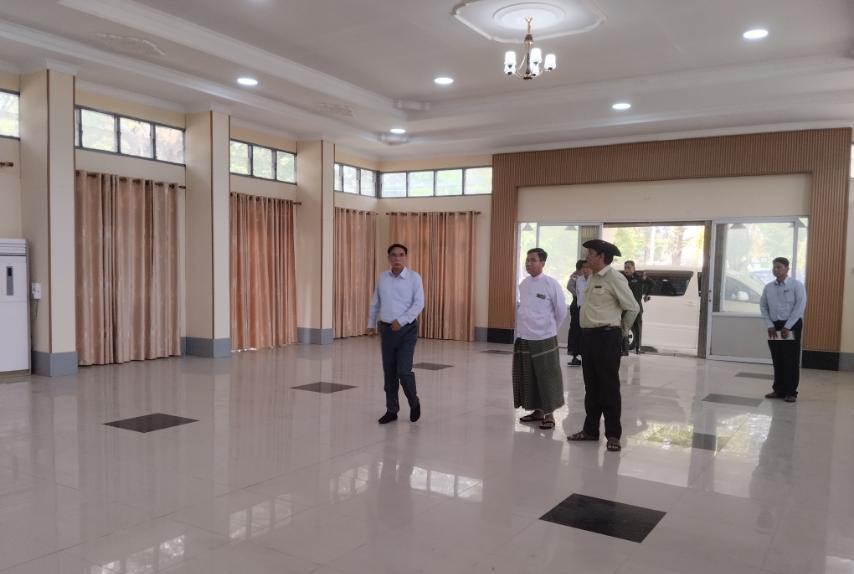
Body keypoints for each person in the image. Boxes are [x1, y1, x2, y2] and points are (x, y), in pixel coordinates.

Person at [568, 239, 639, 452]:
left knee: (608, 387)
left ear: (601, 256)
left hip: (607, 338)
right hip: (589, 338)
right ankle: (590, 430)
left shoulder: (614, 278)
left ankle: (613, 435)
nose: (587, 257)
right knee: (591, 387)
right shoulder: (591, 277)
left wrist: (621, 331)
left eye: (590, 253)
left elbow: (632, 307)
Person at [367, 243, 425, 424]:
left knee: (404, 371)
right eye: (393, 255)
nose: (397, 258)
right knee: (389, 372)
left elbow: (419, 303)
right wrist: (370, 324)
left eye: (401, 255)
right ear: (389, 258)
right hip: (386, 331)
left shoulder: (414, 278)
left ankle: (414, 402)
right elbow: (375, 302)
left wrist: (401, 321)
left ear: (405, 257)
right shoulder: (383, 278)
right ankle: (392, 410)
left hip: (406, 331)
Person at [514, 248, 568, 430]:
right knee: (529, 376)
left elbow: (561, 311)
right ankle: (537, 411)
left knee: (547, 377)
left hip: (544, 338)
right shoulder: (524, 284)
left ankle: (549, 415)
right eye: (527, 260)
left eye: (533, 260)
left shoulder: (551, 284)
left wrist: (550, 330)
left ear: (542, 263)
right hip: (524, 337)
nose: (528, 263)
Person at [759, 257, 806, 403]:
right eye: (774, 267)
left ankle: (791, 392)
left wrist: (788, 326)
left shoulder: (796, 285)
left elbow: (800, 306)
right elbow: (763, 306)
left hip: (790, 326)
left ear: (787, 269)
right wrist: (769, 325)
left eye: (779, 267)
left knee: (790, 358)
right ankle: (778, 390)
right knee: (777, 357)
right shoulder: (768, 287)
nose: (776, 270)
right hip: (774, 327)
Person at [622, 260, 653, 356]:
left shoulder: (639, 277)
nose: (626, 270)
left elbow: (652, 283)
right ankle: (624, 350)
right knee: (624, 327)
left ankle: (638, 349)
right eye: (625, 267)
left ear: (634, 268)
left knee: (637, 327)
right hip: (626, 306)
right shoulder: (622, 278)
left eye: (629, 267)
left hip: (637, 306)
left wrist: (647, 294)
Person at [566, 259, 591, 366]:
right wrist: (577, 295)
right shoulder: (576, 277)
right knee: (575, 330)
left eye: (587, 267)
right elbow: (569, 286)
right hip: (577, 306)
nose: (584, 270)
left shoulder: (593, 279)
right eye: (583, 267)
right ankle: (575, 355)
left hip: (588, 308)